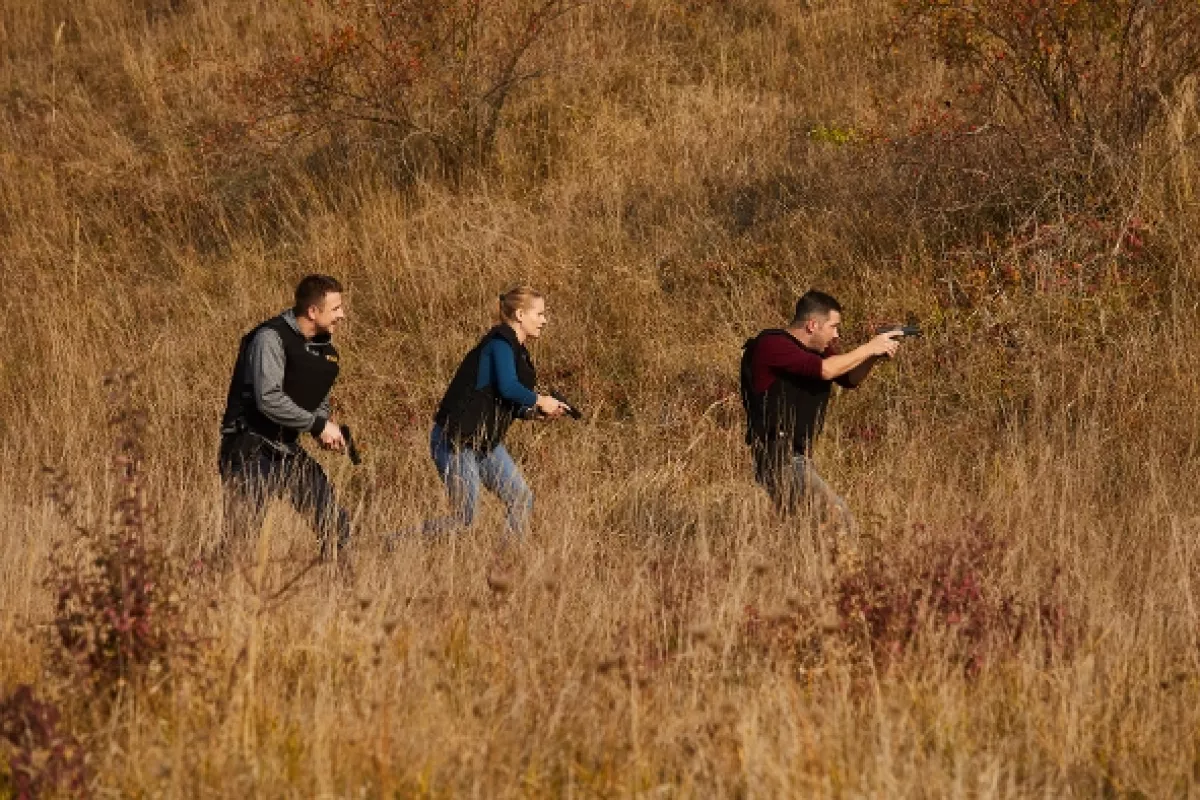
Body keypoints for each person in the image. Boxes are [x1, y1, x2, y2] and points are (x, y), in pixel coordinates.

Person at [740, 290, 903, 529]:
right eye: (833, 327)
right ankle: (848, 567)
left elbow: (850, 379)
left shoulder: (819, 351)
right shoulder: (772, 344)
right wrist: (868, 347)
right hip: (778, 458)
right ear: (812, 325)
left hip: (797, 458)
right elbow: (826, 370)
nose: (836, 334)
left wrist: (874, 356)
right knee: (840, 521)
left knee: (807, 532)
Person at [217, 274, 352, 561]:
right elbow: (268, 399)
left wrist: (320, 429)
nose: (342, 314)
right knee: (238, 544)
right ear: (313, 312)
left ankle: (339, 597)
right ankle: (207, 593)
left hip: (288, 449)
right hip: (250, 448)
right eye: (336, 308)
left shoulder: (326, 350)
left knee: (336, 528)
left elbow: (319, 398)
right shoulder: (269, 339)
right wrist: (318, 425)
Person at [418, 285, 567, 540]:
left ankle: (504, 566)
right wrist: (540, 399)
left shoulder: (517, 351)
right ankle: (390, 545)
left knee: (521, 499)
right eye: (540, 314)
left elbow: (505, 398)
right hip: (455, 442)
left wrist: (534, 413)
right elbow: (509, 387)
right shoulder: (500, 343)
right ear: (520, 315)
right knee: (464, 519)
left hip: (484, 443)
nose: (545, 320)